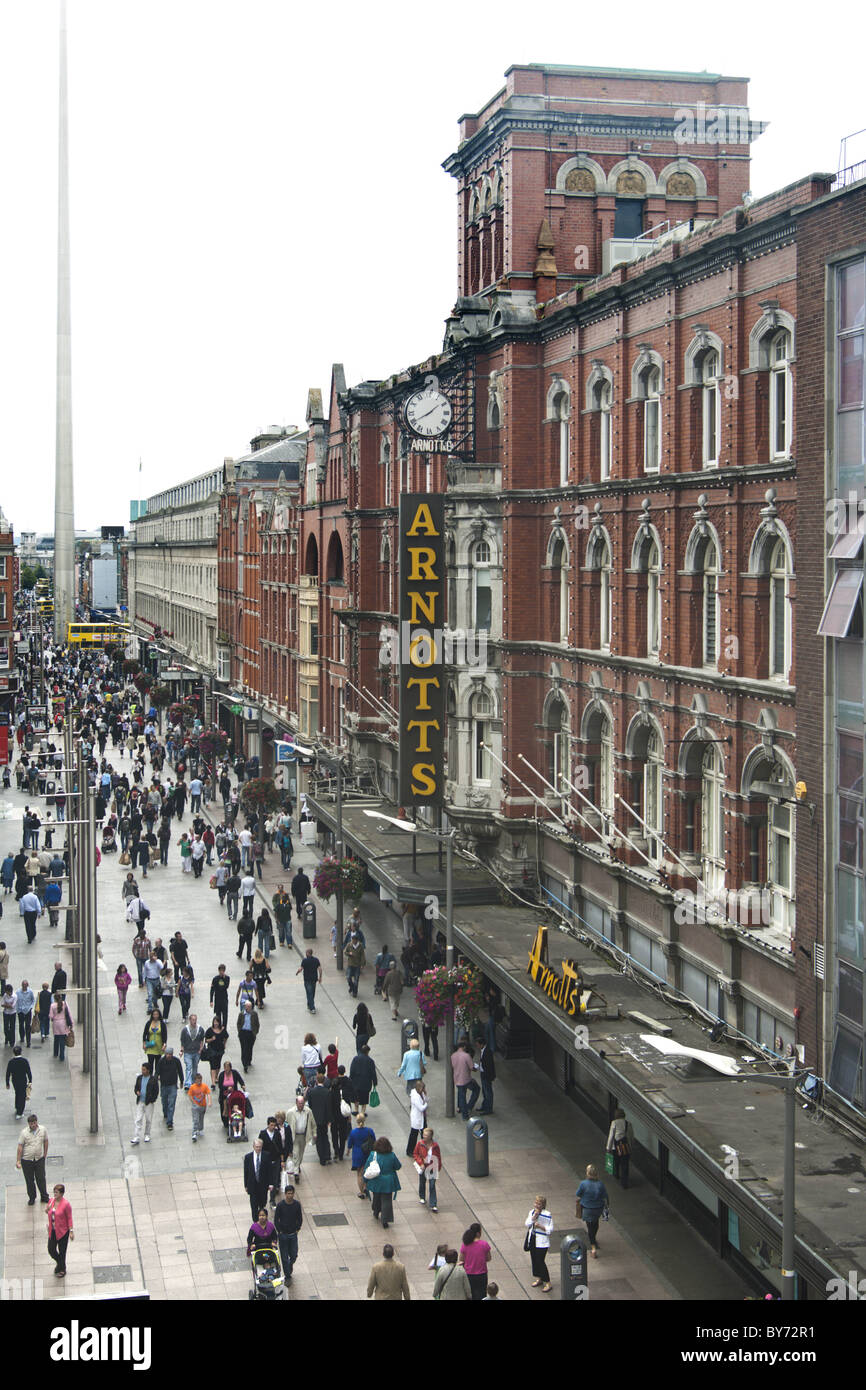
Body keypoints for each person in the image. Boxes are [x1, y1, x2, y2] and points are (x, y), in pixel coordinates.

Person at [364, 1136, 401, 1229]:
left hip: (376, 1180)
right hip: (388, 1181)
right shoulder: (392, 1155)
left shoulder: (373, 1155)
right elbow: (398, 1166)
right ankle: (385, 1220)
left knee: (376, 1197)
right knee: (386, 1200)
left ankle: (376, 1211)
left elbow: (366, 1167)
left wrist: (365, 1180)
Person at [576, 1164, 610, 1259]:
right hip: (598, 1208)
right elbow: (605, 1196)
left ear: (588, 1173)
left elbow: (578, 1194)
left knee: (590, 1226)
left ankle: (593, 1247)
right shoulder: (600, 1184)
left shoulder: (583, 1184)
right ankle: (593, 1239)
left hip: (587, 1208)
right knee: (595, 1224)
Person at [16, 1113, 49, 1203]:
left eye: (34, 1123)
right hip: (27, 1160)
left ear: (36, 1122)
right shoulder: (24, 1133)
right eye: (31, 1123)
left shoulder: (43, 1130)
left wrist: (45, 1154)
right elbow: (20, 1146)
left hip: (39, 1158)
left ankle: (44, 1196)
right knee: (29, 1180)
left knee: (41, 1178)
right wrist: (18, 1160)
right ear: (28, 1124)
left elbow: (46, 1141)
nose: (33, 1125)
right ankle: (32, 1197)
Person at [273, 1183, 302, 1283]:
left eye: (291, 1193)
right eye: (288, 1193)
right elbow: (276, 1219)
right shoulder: (281, 1205)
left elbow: (300, 1218)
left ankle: (290, 1265)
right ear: (285, 1194)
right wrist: (279, 1231)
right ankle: (287, 1276)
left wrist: (297, 1229)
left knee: (294, 1254)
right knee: (284, 1257)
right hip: (283, 1235)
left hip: (293, 1234)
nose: (290, 1195)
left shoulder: (297, 1205)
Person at [524, 1194, 554, 1293]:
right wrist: (533, 1217)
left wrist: (541, 1227)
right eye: (536, 1203)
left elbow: (550, 1229)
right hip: (532, 1239)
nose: (536, 1205)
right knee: (534, 1259)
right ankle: (539, 1278)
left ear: (543, 1205)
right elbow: (527, 1224)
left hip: (542, 1241)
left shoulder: (547, 1214)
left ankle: (548, 1282)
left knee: (540, 1261)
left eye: (539, 1203)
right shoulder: (531, 1212)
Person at [46, 1182, 74, 1278]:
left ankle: (62, 1268)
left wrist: (71, 1231)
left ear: (61, 1194)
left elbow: (69, 1217)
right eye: (54, 1192)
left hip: (62, 1232)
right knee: (51, 1249)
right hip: (52, 1230)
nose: (55, 1194)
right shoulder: (51, 1201)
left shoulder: (66, 1204)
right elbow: (47, 1211)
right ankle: (60, 1263)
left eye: (57, 1193)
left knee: (62, 1251)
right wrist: (48, 1208)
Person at [459, 1222, 492, 1301]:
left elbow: (461, 1259)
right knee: (481, 1294)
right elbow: (488, 1258)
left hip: (469, 1274)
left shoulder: (465, 1244)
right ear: (478, 1233)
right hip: (482, 1274)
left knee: (469, 1295)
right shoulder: (484, 1244)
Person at [413, 1127, 442, 1214]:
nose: (424, 1136)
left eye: (426, 1135)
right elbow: (416, 1154)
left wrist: (438, 1167)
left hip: (432, 1167)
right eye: (424, 1135)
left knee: (432, 1185)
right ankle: (422, 1196)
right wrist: (420, 1163)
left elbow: (438, 1157)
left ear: (430, 1137)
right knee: (422, 1182)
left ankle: (433, 1204)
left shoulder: (435, 1146)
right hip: (423, 1166)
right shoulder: (420, 1143)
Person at [306, 1073, 333, 1165]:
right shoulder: (327, 1092)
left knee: (318, 1138)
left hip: (315, 1118)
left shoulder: (311, 1092)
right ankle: (327, 1155)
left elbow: (310, 1105)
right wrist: (329, 1120)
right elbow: (329, 1107)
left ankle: (322, 1158)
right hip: (324, 1119)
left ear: (316, 1081)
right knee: (325, 1136)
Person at [244, 1140, 274, 1223]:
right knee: (253, 1206)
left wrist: (271, 1183)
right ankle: (255, 1222)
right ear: (253, 1147)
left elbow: (270, 1170)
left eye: (260, 1147)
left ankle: (262, 1219)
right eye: (257, 1147)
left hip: (263, 1186)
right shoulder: (248, 1157)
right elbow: (246, 1172)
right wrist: (246, 1185)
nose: (258, 1149)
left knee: (262, 1204)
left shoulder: (266, 1155)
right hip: (253, 1186)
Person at [451, 1041, 481, 1120]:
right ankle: (468, 1108)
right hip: (466, 1079)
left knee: (461, 1096)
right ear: (464, 1047)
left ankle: (461, 1109)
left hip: (457, 1079)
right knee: (476, 1089)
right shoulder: (466, 1056)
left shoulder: (453, 1056)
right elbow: (472, 1068)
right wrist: (476, 1068)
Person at [287, 1096, 314, 1181]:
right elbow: (287, 1124)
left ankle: (297, 1166)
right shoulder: (290, 1112)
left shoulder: (308, 1111)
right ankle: (296, 1173)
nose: (301, 1105)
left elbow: (313, 1123)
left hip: (303, 1136)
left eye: (302, 1103)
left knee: (301, 1154)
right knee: (295, 1153)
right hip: (294, 1136)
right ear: (296, 1103)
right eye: (299, 1103)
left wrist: (314, 1133)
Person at [131, 1062, 159, 1144]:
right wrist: (137, 1092)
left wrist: (152, 1100)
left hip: (148, 1103)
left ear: (148, 1070)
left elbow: (156, 1091)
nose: (142, 1071)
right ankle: (136, 1136)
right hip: (140, 1101)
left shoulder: (153, 1079)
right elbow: (136, 1087)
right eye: (142, 1069)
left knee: (148, 1119)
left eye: (144, 1070)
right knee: (138, 1119)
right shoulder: (139, 1078)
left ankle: (147, 1134)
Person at [157, 1046, 184, 1130]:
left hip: (173, 1085)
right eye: (167, 1054)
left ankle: (169, 1122)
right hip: (164, 1085)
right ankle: (166, 1113)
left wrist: (181, 1081)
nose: (168, 1056)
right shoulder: (161, 1061)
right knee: (164, 1102)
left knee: (171, 1104)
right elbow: (157, 1071)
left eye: (170, 1054)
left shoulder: (176, 1061)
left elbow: (180, 1071)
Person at [349, 1044, 377, 1121]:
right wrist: (375, 1082)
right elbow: (373, 1073)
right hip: (366, 1082)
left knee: (356, 1096)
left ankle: (356, 1110)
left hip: (356, 1082)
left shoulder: (355, 1059)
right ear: (367, 1052)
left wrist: (350, 1079)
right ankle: (362, 1112)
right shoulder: (370, 1061)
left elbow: (352, 1070)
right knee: (364, 1097)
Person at [606, 1107, 631, 1188]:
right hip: (625, 1147)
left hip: (615, 1147)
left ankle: (616, 1174)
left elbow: (611, 1136)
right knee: (625, 1164)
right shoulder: (628, 1123)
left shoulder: (614, 1123)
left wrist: (608, 1147)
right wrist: (630, 1146)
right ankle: (624, 1182)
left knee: (616, 1161)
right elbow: (631, 1136)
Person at [6, 1043, 32, 1118]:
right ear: (21, 1052)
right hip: (23, 1081)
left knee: (17, 1093)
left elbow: (8, 1073)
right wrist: (30, 1080)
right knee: (22, 1095)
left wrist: (7, 1083)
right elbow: (28, 1071)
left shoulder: (11, 1062)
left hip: (15, 1081)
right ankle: (20, 1112)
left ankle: (17, 1107)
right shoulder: (24, 1061)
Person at [180, 1014, 205, 1090]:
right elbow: (182, 1041)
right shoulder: (185, 1030)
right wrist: (182, 1050)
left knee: (195, 1067)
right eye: (193, 1020)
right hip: (188, 1052)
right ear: (190, 1020)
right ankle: (187, 1083)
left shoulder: (200, 1029)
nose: (194, 1021)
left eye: (195, 1020)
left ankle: (194, 1081)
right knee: (189, 1066)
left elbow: (201, 1040)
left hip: (196, 1052)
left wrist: (201, 1049)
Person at [406, 1079, 429, 1156]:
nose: (424, 1090)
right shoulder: (415, 1096)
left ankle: (425, 1148)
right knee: (414, 1134)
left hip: (422, 1117)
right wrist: (426, 1104)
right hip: (417, 1118)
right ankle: (410, 1150)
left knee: (424, 1132)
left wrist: (425, 1095)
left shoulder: (421, 1093)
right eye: (423, 1088)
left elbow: (426, 1099)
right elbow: (421, 1107)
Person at [296, 949, 322, 1013]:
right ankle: (310, 1004)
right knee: (312, 993)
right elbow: (320, 969)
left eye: (306, 953)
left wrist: (297, 972)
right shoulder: (316, 960)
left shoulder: (305, 960)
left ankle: (312, 1007)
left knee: (309, 993)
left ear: (308, 953)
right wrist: (320, 977)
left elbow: (301, 968)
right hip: (314, 979)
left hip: (307, 979)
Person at [49, 993, 73, 1060]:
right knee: (62, 1039)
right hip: (63, 1023)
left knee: (56, 1038)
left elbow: (51, 1016)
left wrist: (53, 1018)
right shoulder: (64, 1004)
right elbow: (69, 1014)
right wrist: (71, 1024)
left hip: (56, 1023)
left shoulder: (52, 1005)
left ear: (54, 998)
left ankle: (55, 1053)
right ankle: (62, 1055)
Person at [188, 1072, 211, 1142]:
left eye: (200, 1080)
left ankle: (200, 1129)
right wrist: (193, 1103)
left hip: (203, 1105)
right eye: (197, 1080)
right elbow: (190, 1095)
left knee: (201, 1118)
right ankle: (194, 1133)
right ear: (195, 1080)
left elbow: (208, 1094)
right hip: (195, 1106)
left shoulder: (204, 1086)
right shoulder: (192, 1087)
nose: (199, 1082)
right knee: (196, 1119)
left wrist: (209, 1102)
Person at [237, 1000, 259, 1070]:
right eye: (247, 1007)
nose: (248, 1008)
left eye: (250, 1007)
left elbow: (257, 1024)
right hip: (243, 1032)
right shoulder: (241, 1014)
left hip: (251, 1033)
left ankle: (249, 1060)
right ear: (245, 1007)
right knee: (244, 1048)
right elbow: (238, 1023)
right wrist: (239, 1031)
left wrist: (255, 1032)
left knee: (249, 1047)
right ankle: (244, 1063)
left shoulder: (254, 1014)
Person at [478, 1039, 496, 1115]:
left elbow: (489, 1065)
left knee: (488, 1091)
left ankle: (488, 1108)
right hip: (483, 1073)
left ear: (481, 1044)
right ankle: (485, 1106)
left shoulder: (487, 1052)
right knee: (485, 1091)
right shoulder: (483, 1051)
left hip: (486, 1075)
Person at [16, 979, 35, 1047]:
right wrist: (17, 1010)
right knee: (21, 1025)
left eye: (25, 985)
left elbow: (33, 1000)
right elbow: (16, 1001)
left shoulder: (30, 992)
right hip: (20, 1011)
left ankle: (28, 1041)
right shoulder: (18, 992)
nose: (24, 987)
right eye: (23, 985)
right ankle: (22, 1037)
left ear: (27, 985)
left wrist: (31, 1007)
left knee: (27, 1026)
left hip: (27, 1011)